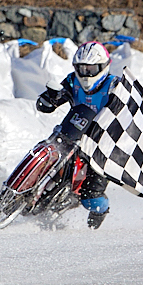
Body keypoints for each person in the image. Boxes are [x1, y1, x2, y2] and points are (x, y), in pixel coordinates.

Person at [34, 41, 117, 229]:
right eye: (82, 68)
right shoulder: (73, 80)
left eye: (91, 68)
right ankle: (17, 189)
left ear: (103, 67)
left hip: (102, 145)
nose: (86, 73)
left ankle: (100, 210)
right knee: (43, 151)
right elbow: (54, 100)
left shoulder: (115, 85)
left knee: (91, 198)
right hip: (72, 133)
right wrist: (49, 99)